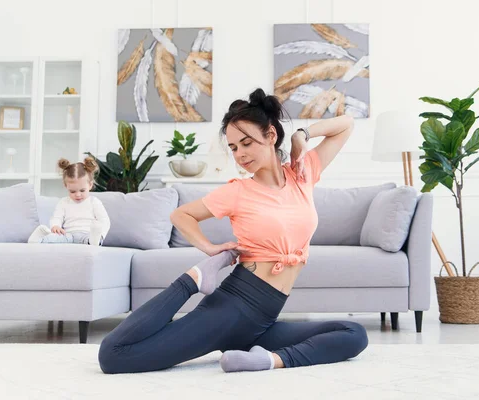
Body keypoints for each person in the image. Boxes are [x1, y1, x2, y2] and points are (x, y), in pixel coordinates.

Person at [98, 88, 368, 374]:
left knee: (354, 333)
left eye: (246, 143)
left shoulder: (303, 173)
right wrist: (210, 249)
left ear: (271, 136)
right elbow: (182, 214)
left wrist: (303, 134)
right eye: (234, 147)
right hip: (230, 311)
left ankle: (266, 361)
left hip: (262, 322)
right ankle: (193, 280)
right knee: (115, 356)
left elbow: (346, 124)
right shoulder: (239, 192)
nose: (240, 154)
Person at [27, 157, 110, 246]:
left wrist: (101, 235)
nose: (78, 195)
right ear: (66, 185)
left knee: (91, 239)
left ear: (90, 185)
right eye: (72, 191)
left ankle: (95, 240)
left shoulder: (94, 202)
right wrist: (55, 226)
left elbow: (105, 220)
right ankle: (38, 239)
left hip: (87, 234)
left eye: (82, 190)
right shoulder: (63, 202)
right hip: (68, 235)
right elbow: (57, 217)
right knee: (55, 238)